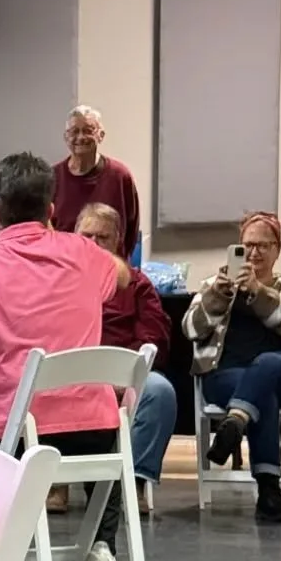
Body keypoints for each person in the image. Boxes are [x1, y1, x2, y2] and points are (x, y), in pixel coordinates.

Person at [0, 152, 129, 561]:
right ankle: (102, 543)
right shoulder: (86, 254)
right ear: (50, 211)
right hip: (94, 434)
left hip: (16, 438)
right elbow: (121, 276)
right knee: (100, 422)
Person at [183, 211, 281, 526]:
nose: (254, 253)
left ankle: (235, 421)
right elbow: (190, 329)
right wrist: (218, 296)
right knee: (259, 394)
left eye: (263, 246)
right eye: (247, 246)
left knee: (266, 364)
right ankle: (269, 493)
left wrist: (258, 292)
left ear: (277, 249)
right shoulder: (215, 285)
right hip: (227, 377)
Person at [76, 202, 176, 497]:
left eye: (102, 237)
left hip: (124, 373)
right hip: (72, 374)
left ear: (118, 242)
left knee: (160, 391)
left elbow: (154, 338)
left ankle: (132, 483)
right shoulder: (59, 281)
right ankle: (56, 484)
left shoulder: (136, 284)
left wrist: (120, 373)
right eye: (87, 235)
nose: (94, 244)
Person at [51, 106, 141, 258]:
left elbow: (131, 230)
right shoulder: (52, 177)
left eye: (88, 130)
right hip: (65, 269)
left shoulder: (120, 176)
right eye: (74, 131)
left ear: (101, 135)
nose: (80, 137)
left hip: (109, 269)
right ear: (66, 137)